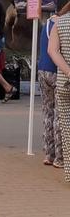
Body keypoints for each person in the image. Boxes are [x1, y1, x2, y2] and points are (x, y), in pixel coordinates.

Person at [47, 3, 70, 182]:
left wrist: (68, 71)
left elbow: (52, 51)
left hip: (64, 83)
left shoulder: (59, 23)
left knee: (67, 130)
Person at [39, 13, 63, 168]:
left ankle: (49, 153)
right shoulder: (62, 25)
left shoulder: (47, 23)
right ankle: (60, 157)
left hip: (42, 70)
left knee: (47, 112)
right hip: (57, 71)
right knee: (59, 115)